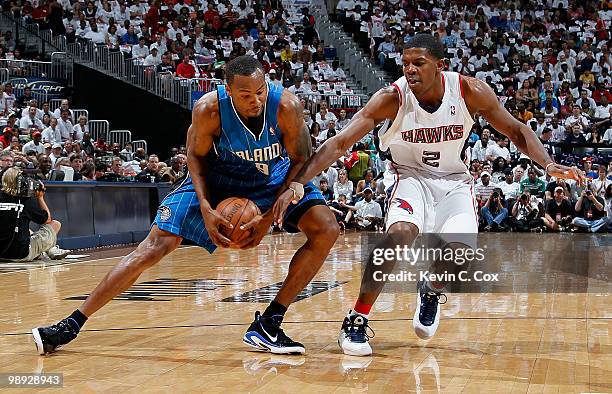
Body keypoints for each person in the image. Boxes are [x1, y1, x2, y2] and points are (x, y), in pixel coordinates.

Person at [271, 34, 584, 356]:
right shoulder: (390, 98)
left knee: (459, 255)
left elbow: (518, 130)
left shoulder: (469, 91)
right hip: (412, 178)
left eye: (418, 63)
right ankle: (357, 318)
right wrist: (298, 181)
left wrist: (547, 164)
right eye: (405, 63)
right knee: (399, 235)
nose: (410, 70)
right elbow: (339, 143)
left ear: (440, 66)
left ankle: (431, 288)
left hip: (456, 182)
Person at [31, 56, 339, 356]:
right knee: (153, 247)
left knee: (326, 228)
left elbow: (302, 161)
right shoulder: (209, 110)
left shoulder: (286, 107)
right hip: (217, 179)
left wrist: (269, 216)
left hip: (275, 177)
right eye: (246, 95)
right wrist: (205, 206)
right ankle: (72, 323)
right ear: (228, 90)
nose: (255, 101)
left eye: (260, 92)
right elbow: (195, 157)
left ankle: (269, 322)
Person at [0, 167, 69, 262]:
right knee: (55, 224)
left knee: (23, 229)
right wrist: (40, 197)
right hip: (21, 255)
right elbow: (47, 220)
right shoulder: (26, 201)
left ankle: (49, 250)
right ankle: (50, 250)